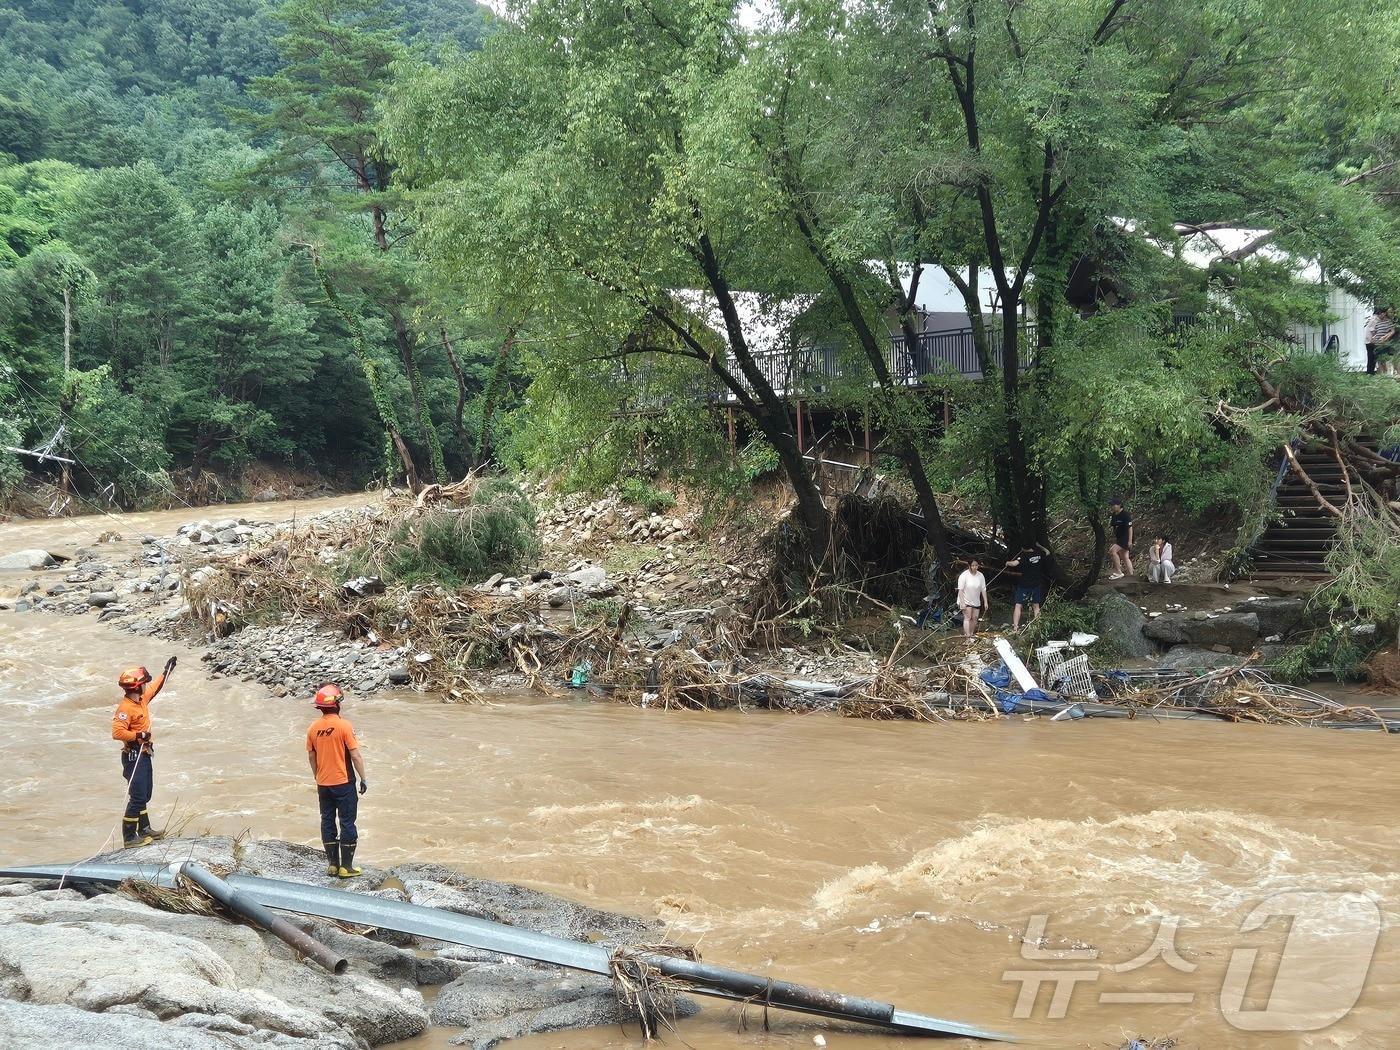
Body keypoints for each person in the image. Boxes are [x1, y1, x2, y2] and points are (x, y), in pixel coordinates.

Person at [111, 657, 178, 847]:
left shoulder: (141, 700)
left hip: (145, 753)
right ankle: (129, 837)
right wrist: (139, 734)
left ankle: (145, 828)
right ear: (137, 687)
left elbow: (155, 688)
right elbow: (117, 732)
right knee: (138, 796)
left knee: (145, 793)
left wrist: (167, 671)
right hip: (133, 755)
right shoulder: (125, 709)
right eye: (143, 684)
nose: (145, 686)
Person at [306, 684, 368, 879]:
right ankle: (346, 867)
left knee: (327, 820)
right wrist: (363, 778)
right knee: (347, 822)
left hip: (323, 784)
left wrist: (317, 776)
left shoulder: (313, 728)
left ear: (320, 707)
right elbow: (355, 755)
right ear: (337, 704)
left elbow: (311, 757)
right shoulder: (344, 726)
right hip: (343, 782)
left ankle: (332, 865)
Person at [1007, 544, 1047, 629]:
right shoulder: (1038, 553)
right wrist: (1039, 545)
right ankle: (1038, 627)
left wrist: (1007, 563)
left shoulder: (1023, 556)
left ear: (1023, 547)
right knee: (1036, 606)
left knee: (1018, 605)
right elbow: (1047, 552)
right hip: (1036, 584)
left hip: (1024, 585)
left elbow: (1014, 564)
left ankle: (1015, 627)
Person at [956, 558, 989, 639]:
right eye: (973, 565)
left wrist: (985, 602)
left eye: (976, 565)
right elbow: (960, 590)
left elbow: (983, 589)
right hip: (965, 599)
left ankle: (971, 633)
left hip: (976, 600)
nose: (975, 567)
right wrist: (962, 603)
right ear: (969, 566)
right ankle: (967, 636)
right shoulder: (964, 575)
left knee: (975, 618)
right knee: (968, 617)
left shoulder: (980, 575)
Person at [1365, 306, 1396, 375]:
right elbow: (1374, 331)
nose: (1382, 315)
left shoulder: (1388, 321)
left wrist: (1385, 337)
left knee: (1384, 359)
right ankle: (1377, 374)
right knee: (1377, 359)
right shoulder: (1376, 321)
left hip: (1383, 343)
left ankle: (1385, 374)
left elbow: (1392, 331)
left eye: (1383, 313)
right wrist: (1373, 338)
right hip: (1374, 343)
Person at [1107, 500, 1134, 580]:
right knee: (1125, 556)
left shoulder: (1125, 515)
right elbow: (1114, 527)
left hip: (1126, 538)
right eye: (1111, 505)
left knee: (1112, 551)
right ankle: (1131, 575)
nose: (1112, 507)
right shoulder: (1114, 515)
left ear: (1119, 505)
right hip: (1119, 538)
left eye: (1114, 505)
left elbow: (1130, 528)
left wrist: (1130, 541)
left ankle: (1118, 572)